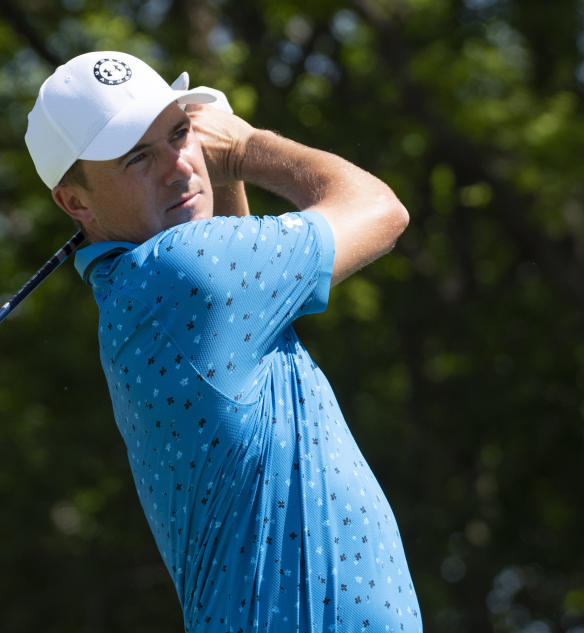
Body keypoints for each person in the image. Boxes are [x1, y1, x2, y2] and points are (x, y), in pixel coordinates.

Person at [25, 50, 421, 632]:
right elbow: (381, 209)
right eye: (138, 158)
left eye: (180, 133)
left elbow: (238, 269)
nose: (180, 168)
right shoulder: (181, 272)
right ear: (75, 202)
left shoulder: (148, 286)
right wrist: (243, 147)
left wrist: (224, 175)